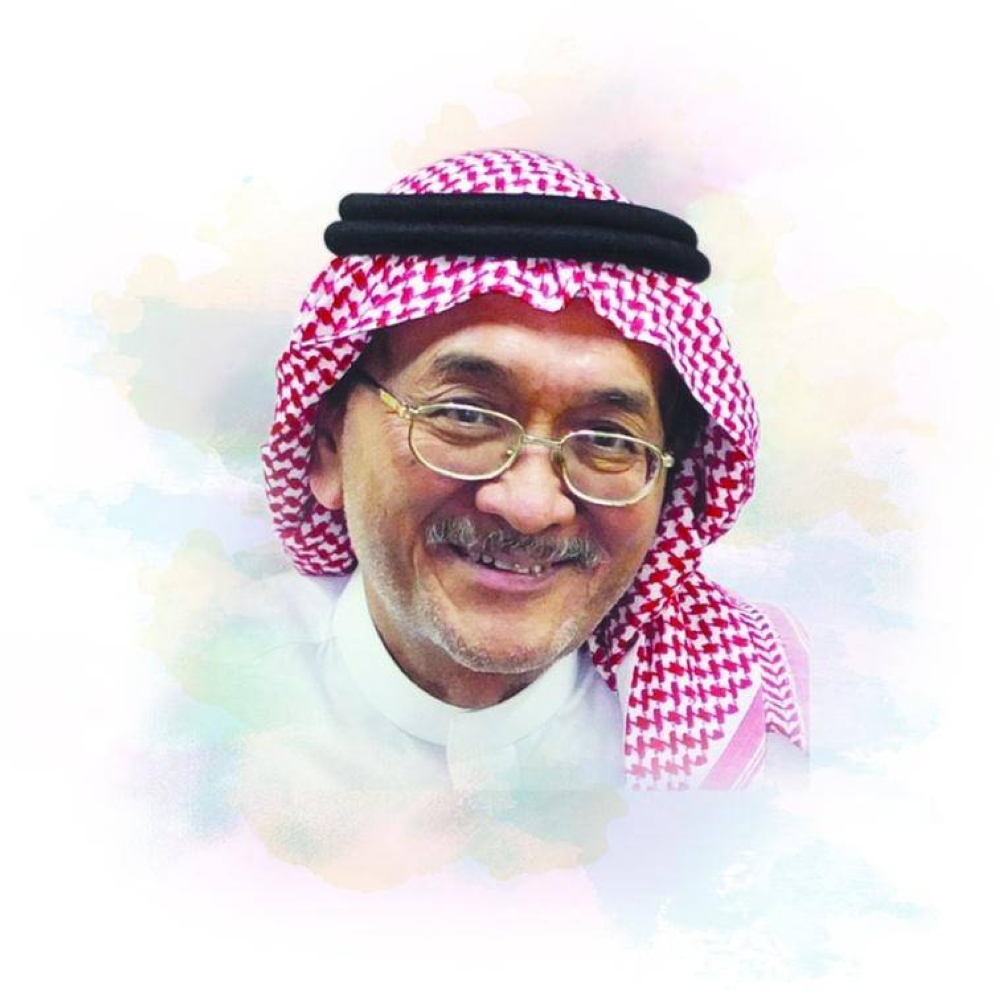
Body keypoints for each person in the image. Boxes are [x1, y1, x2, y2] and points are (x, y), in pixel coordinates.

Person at [260, 147, 808, 801]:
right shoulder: (184, 701)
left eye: (608, 440)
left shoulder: (768, 710)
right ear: (327, 444)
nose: (530, 505)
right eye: (465, 415)